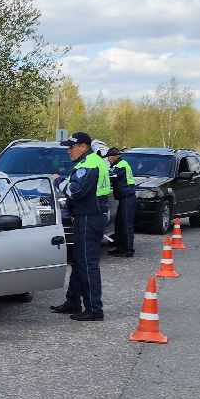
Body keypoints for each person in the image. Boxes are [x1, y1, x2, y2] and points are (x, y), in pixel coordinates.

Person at [50, 132, 110, 322]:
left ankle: (94, 309)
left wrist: (58, 181)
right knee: (78, 262)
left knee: (87, 264)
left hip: (90, 219)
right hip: (85, 217)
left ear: (83, 146)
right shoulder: (87, 163)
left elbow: (76, 191)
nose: (69, 151)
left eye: (72, 147)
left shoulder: (90, 164)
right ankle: (73, 301)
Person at [107, 146, 136, 257]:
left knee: (126, 224)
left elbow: (110, 177)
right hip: (124, 198)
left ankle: (128, 250)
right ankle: (119, 247)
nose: (108, 160)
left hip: (127, 198)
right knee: (119, 224)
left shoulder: (121, 165)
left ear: (114, 157)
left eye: (108, 157)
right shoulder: (118, 164)